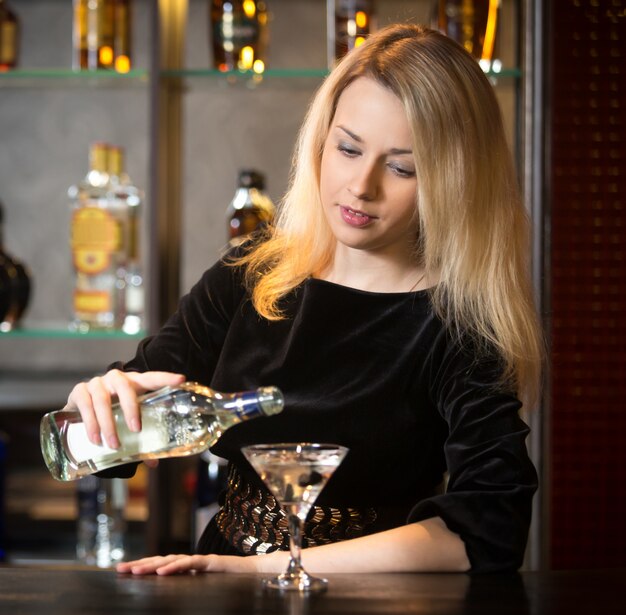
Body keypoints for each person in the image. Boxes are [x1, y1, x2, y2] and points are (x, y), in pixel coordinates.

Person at [64, 23, 543, 575]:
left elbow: (489, 529)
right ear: (321, 141)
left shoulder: (461, 324)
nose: (361, 186)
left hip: (370, 600)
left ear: (454, 179)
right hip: (222, 586)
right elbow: (105, 445)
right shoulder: (252, 271)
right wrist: (97, 409)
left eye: (401, 167)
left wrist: (262, 569)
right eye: (347, 148)